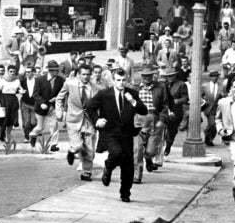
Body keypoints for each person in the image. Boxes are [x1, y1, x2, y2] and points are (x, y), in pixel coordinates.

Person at [85, 69, 148, 203]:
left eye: (123, 80)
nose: (121, 83)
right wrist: (97, 120)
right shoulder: (104, 94)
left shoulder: (132, 94)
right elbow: (89, 107)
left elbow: (144, 111)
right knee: (117, 153)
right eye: (118, 80)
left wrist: (132, 101)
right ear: (113, 80)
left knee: (128, 165)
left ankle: (125, 193)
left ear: (127, 80)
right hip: (109, 132)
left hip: (126, 133)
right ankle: (108, 166)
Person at [56, 64, 98, 181]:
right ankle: (71, 150)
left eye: (88, 74)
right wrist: (59, 113)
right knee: (78, 145)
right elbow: (59, 98)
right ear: (79, 74)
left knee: (90, 150)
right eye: (83, 74)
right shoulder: (70, 84)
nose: (86, 77)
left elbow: (99, 105)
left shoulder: (95, 88)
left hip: (89, 121)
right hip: (73, 119)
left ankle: (86, 172)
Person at [136, 67, 171, 179]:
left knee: (151, 150)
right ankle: (137, 175)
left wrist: (161, 120)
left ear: (153, 75)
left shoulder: (160, 87)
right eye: (144, 76)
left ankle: (148, 157)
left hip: (154, 119)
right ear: (141, 76)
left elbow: (165, 105)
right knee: (137, 149)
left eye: (149, 75)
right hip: (138, 120)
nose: (147, 78)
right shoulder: (135, 87)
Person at [29, 61, 65, 153]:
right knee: (40, 127)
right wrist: (41, 103)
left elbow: (63, 93)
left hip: (53, 107)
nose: (57, 72)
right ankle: (33, 135)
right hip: (41, 108)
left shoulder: (60, 80)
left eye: (58, 70)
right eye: (55, 70)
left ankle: (53, 145)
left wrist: (56, 98)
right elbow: (35, 94)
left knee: (54, 126)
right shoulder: (40, 80)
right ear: (50, 71)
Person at [0, 64, 24, 153]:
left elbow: (19, 89)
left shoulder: (17, 80)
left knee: (11, 119)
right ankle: (0, 136)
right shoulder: (3, 80)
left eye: (14, 71)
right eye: (10, 71)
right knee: (4, 119)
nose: (12, 73)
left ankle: (8, 136)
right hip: (4, 100)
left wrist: (21, 91)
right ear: (8, 71)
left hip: (13, 100)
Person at [201, 70, 224, 146]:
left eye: (216, 76)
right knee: (212, 124)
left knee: (214, 126)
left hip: (218, 109)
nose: (215, 78)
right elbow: (200, 96)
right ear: (210, 77)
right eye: (213, 76)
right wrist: (203, 102)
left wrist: (223, 95)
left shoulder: (222, 86)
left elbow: (226, 96)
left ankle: (209, 139)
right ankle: (208, 136)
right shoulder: (205, 86)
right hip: (209, 108)